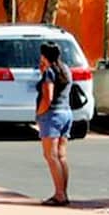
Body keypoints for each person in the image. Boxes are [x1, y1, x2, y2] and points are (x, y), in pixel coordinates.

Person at [36, 42, 72, 206]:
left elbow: (48, 97)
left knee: (50, 156)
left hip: (52, 116)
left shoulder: (50, 73)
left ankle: (59, 194)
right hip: (66, 113)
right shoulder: (65, 69)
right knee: (61, 156)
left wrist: (39, 113)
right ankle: (63, 192)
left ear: (44, 55)